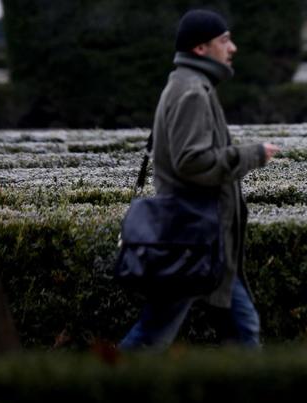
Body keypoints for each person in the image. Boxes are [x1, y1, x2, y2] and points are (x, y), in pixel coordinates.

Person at [119, 9, 279, 351]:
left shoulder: (190, 84)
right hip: (192, 238)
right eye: (224, 40)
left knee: (242, 328)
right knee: (152, 335)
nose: (232, 47)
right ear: (201, 49)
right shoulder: (191, 91)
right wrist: (252, 155)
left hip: (201, 238)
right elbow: (192, 162)